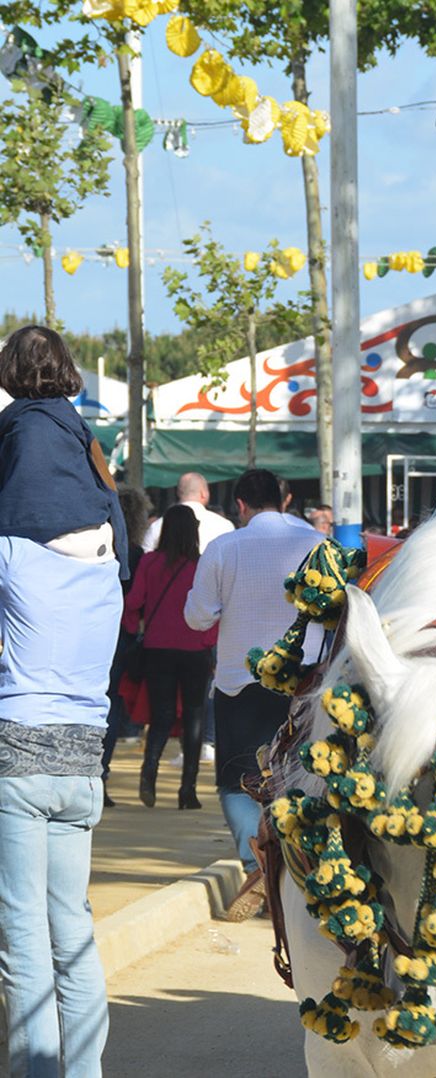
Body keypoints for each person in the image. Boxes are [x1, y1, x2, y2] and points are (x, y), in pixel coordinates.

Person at [0, 324, 126, 1075]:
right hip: (84, 764)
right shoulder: (108, 560)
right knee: (71, 936)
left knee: (22, 945)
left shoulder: (12, 555)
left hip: (17, 758)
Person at [184, 468, 323, 872]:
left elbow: (198, 617)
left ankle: (254, 863)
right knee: (301, 776)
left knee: (238, 778)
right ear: (284, 501)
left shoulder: (224, 547)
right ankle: (296, 865)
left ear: (240, 505)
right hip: (305, 680)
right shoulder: (318, 544)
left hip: (239, 682)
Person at [124, 505, 217, 810]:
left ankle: (149, 769)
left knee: (161, 714)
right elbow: (213, 610)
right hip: (195, 649)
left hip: (157, 647)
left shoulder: (150, 562)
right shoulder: (201, 566)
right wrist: (209, 643)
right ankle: (187, 790)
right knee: (194, 716)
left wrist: (131, 629)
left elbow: (134, 601)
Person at [102, 483, 153, 806]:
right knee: (110, 704)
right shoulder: (138, 557)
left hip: (89, 633)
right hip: (123, 635)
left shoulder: (96, 549)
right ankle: (101, 774)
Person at [141, 470, 233, 552]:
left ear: (178, 493)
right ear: (203, 494)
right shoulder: (224, 526)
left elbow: (147, 557)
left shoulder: (157, 526)